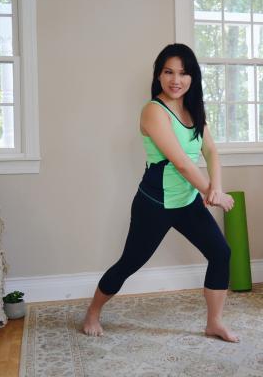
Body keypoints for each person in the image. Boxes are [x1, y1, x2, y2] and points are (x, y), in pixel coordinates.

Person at [83, 43, 239, 343]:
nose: (175, 80)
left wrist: (216, 189)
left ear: (193, 77)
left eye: (183, 73)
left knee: (221, 253)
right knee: (130, 262)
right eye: (168, 72)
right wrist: (211, 191)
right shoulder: (153, 111)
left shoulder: (194, 110)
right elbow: (181, 162)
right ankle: (93, 312)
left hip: (187, 201)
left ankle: (214, 323)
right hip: (155, 204)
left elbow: (211, 151)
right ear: (158, 75)